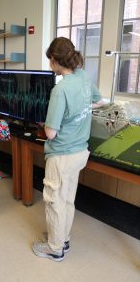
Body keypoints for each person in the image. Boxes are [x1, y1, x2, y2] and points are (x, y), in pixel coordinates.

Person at [32, 37, 104, 262]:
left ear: (54, 60)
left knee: (54, 201)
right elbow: (99, 101)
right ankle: (62, 238)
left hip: (62, 154)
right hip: (80, 153)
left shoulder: (60, 89)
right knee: (67, 199)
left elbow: (51, 133)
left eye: (49, 61)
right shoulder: (82, 76)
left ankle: (54, 248)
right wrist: (80, 110)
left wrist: (44, 123)